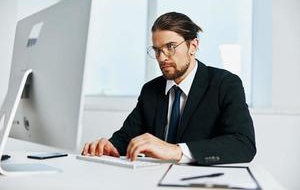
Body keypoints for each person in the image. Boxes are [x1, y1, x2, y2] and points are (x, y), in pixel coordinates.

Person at [82, 12, 256, 165]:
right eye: (157, 50)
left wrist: (176, 150)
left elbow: (243, 144)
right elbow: (126, 136)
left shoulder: (225, 84)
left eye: (170, 47)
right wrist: (109, 146)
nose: (162, 57)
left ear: (193, 46)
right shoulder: (150, 90)